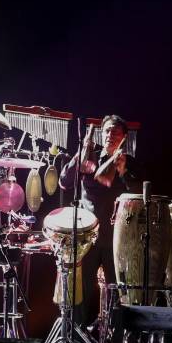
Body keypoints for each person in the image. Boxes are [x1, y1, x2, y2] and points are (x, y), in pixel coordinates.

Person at [59, 115, 142, 330]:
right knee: (82, 290)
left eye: (115, 131)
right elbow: (65, 182)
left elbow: (140, 196)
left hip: (117, 237)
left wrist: (123, 172)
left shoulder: (130, 163)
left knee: (117, 292)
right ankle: (77, 337)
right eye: (106, 131)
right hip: (89, 235)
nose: (110, 135)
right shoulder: (90, 156)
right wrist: (78, 157)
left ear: (124, 137)